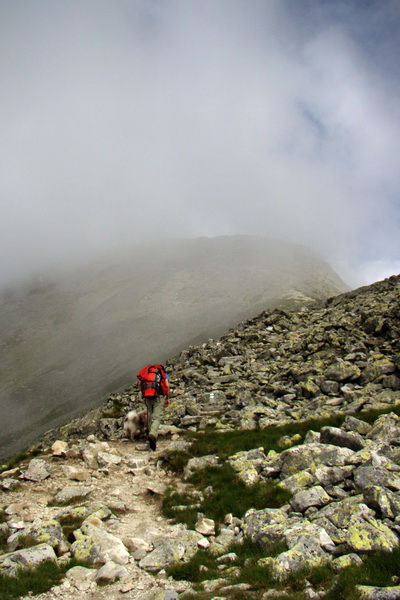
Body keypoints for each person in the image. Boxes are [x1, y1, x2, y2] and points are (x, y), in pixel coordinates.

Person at [136, 364, 170, 451]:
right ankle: (153, 435)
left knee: (150, 416)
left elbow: (139, 385)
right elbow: (167, 385)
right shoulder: (162, 373)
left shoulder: (147, 371)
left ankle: (149, 440)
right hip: (159, 397)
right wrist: (167, 398)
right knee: (157, 418)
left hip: (148, 397)